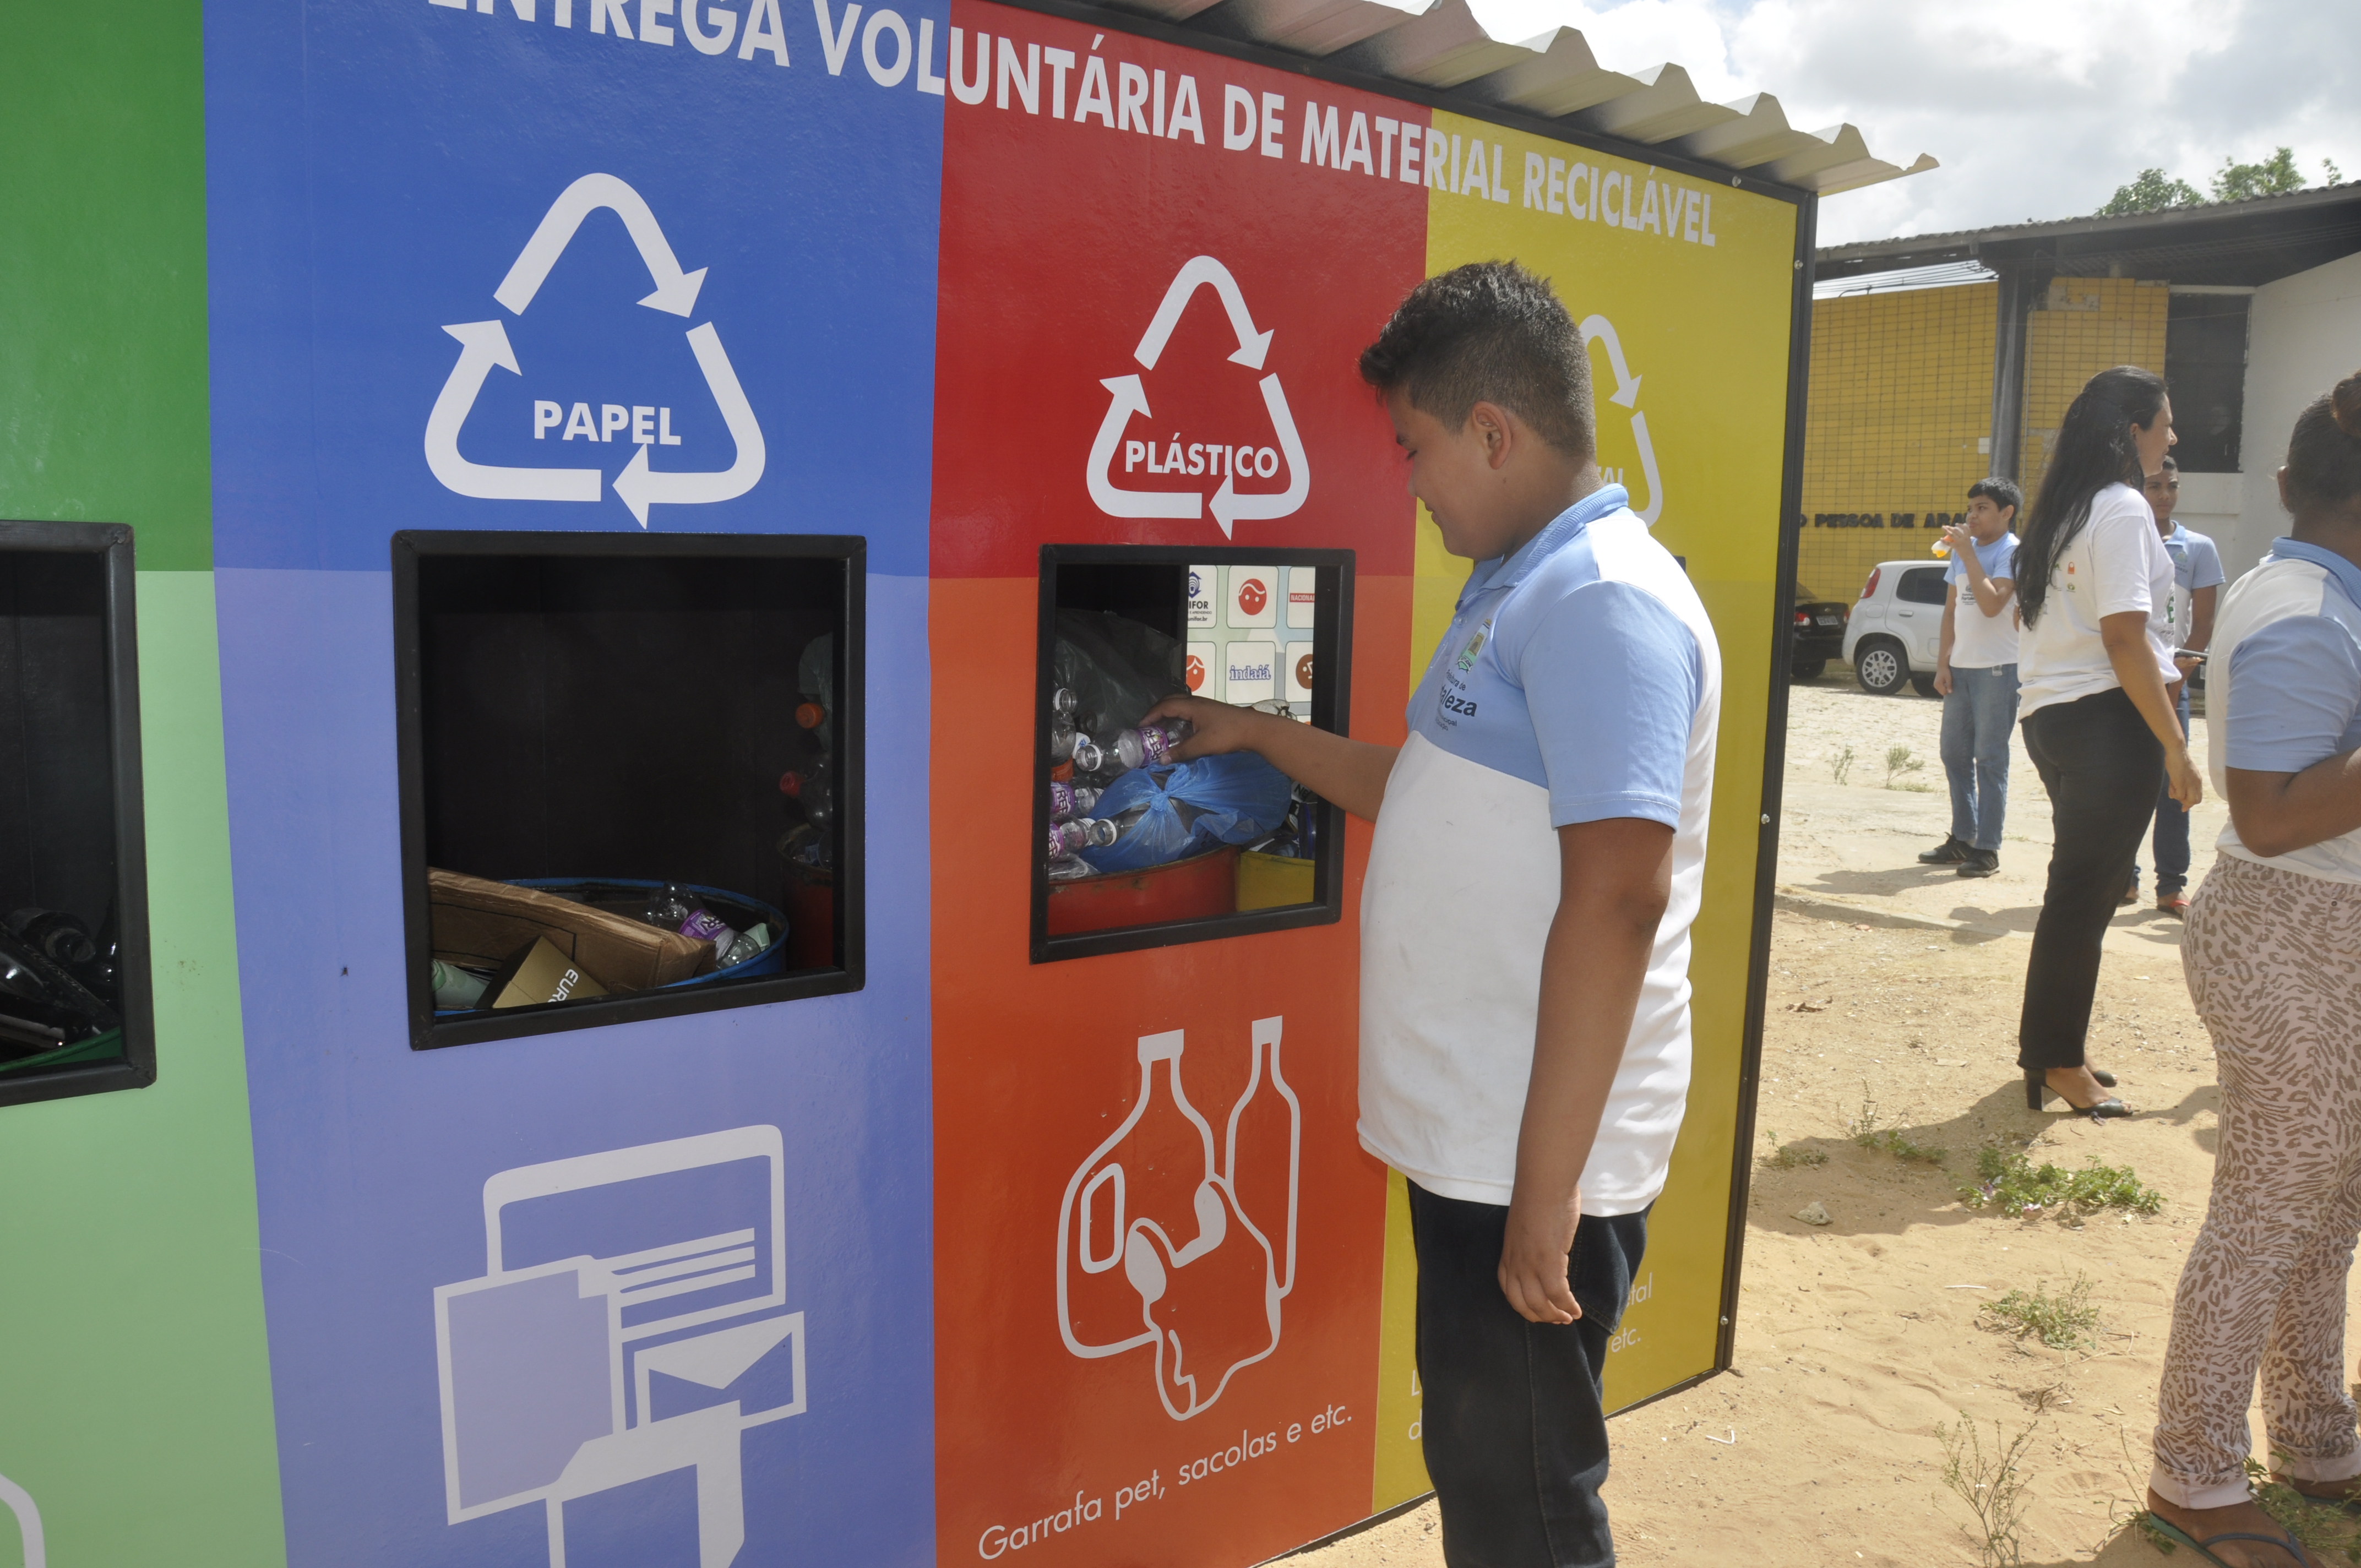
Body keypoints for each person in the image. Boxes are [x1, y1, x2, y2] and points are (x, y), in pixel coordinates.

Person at [1145, 261, 1718, 1568]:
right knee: (1482, 1467)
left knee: (1524, 1497)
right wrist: (1253, 730)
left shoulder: (1600, 603)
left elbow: (1620, 897)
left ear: (1492, 432)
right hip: (1482, 1134)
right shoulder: (1520, 583)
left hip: (1528, 1147)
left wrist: (1546, 1190)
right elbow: (1416, 786)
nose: (1407, 482)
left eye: (1412, 448)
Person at [2144, 371, 2361, 1568]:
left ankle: (2314, 1434)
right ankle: (2191, 1469)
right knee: (2270, 1209)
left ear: (2283, 481)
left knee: (2327, 1207)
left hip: (2324, 927)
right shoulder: (2300, 613)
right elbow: (2269, 815)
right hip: (2285, 925)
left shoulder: (2320, 592)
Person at [2010, 364, 2201, 1118]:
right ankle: (2056, 1058)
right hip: (2104, 721)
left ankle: (2055, 1048)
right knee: (2083, 896)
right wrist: (2175, 747)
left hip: (2053, 718)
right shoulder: (2122, 509)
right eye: (2166, 422)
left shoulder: (2065, 508)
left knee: (2081, 892)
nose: (2174, 436)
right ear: (2133, 432)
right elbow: (2124, 636)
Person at [2125, 455, 2226, 913]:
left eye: (2171, 486)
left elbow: (2203, 623)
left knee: (2174, 786)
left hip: (2174, 684)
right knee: (2124, 785)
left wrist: (2180, 669)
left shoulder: (2199, 548)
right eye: (2154, 486)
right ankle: (2123, 879)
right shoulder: (2123, 541)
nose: (2164, 494)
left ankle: (2171, 886)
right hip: (2127, 683)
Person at [1921, 477, 2023, 878]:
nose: (1973, 516)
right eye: (1971, 508)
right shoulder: (1962, 553)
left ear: (2007, 512)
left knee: (1990, 759)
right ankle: (1963, 838)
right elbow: (1951, 612)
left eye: (1983, 508)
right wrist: (1944, 663)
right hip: (1961, 668)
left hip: (1998, 670)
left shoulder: (2013, 551)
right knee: (1954, 754)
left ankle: (1988, 847)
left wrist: (1967, 551)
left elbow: (1992, 605)